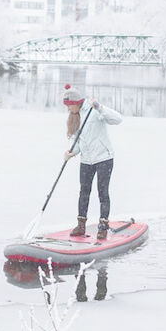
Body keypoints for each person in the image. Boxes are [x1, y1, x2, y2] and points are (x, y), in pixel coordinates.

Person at [62, 84, 123, 239]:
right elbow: (78, 142)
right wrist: (71, 153)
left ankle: (103, 226)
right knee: (84, 192)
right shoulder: (74, 118)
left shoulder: (93, 111)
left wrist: (100, 107)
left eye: (70, 106)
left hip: (104, 158)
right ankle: (81, 225)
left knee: (102, 192)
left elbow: (117, 119)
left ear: (76, 103)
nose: (69, 110)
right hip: (86, 160)